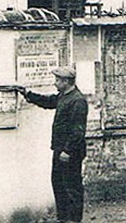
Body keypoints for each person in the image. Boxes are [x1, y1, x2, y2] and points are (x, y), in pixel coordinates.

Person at [17, 66, 89, 223]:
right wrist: (27, 94)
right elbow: (48, 101)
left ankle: (74, 220)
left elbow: (78, 131)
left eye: (57, 80)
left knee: (72, 187)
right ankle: (63, 218)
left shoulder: (78, 101)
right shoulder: (64, 96)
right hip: (59, 150)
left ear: (66, 81)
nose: (55, 83)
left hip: (70, 152)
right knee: (59, 185)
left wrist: (68, 151)